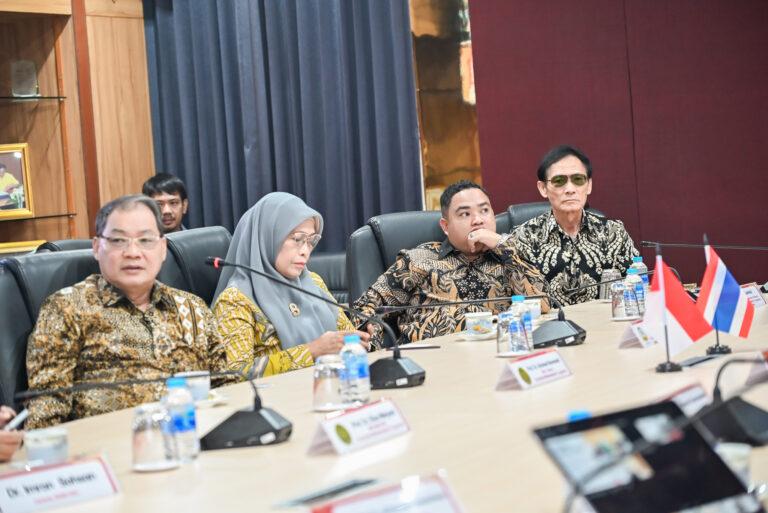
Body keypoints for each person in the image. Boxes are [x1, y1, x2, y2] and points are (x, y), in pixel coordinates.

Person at [25, 195, 234, 429]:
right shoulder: (67, 309)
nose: (133, 252)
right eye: (118, 240)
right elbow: (46, 415)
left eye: (145, 240)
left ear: (163, 249)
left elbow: (228, 389)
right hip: (112, 446)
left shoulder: (193, 308)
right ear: (97, 247)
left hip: (195, 439)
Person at [353, 180, 549, 345]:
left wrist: (504, 248)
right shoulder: (419, 259)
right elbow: (366, 306)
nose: (478, 220)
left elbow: (543, 307)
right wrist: (370, 342)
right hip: (435, 362)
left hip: (498, 356)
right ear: (445, 226)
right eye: (465, 214)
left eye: (484, 210)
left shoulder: (510, 256)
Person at [213, 192, 373, 378]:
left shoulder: (313, 282)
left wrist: (361, 337)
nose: (305, 251)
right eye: (297, 239)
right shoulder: (235, 301)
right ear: (268, 237)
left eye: (311, 241)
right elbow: (233, 375)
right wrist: (311, 351)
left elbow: (343, 336)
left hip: (332, 386)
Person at [511, 145, 639, 306]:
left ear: (589, 185)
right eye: (559, 181)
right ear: (543, 188)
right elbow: (516, 300)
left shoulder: (614, 232)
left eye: (578, 180)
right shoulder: (523, 238)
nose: (570, 189)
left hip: (603, 320)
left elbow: (637, 289)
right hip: (551, 322)